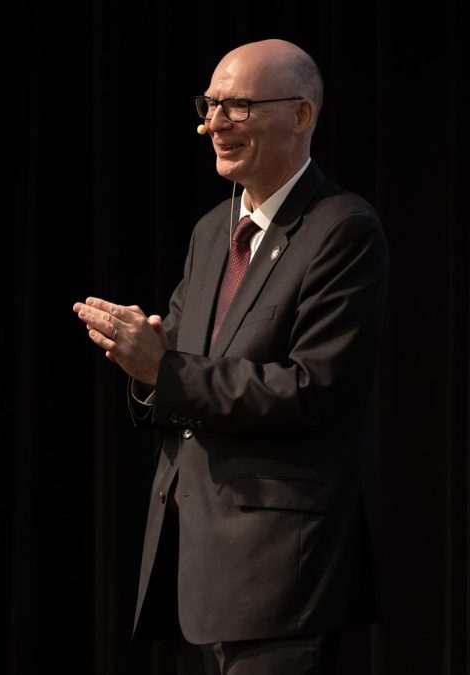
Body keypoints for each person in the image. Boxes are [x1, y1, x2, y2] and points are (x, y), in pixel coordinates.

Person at [73, 39, 388, 675]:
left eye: (237, 106)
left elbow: (310, 389)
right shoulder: (213, 231)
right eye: (211, 104)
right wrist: (145, 371)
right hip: (194, 566)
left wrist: (163, 369)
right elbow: (179, 371)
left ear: (300, 116)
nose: (212, 123)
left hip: (281, 576)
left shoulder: (342, 229)